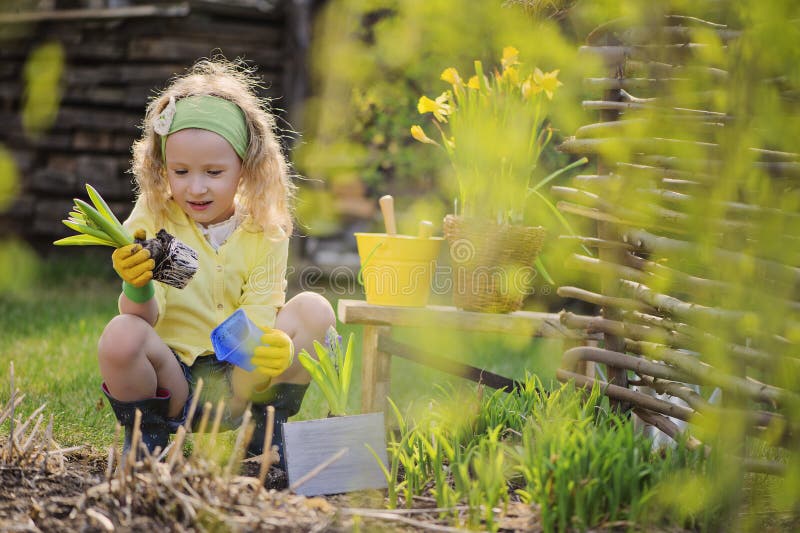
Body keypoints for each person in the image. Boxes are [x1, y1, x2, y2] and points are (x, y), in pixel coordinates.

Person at [97, 58, 335, 468]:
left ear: (245, 167)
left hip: (241, 382)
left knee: (314, 310)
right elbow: (143, 320)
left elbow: (262, 306)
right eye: (181, 171)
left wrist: (269, 351)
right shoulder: (154, 216)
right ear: (162, 167)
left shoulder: (265, 225)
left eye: (214, 171)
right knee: (121, 334)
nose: (196, 186)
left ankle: (263, 442)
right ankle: (146, 447)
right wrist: (136, 285)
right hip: (176, 384)